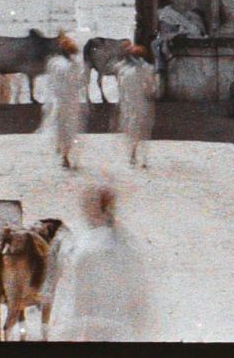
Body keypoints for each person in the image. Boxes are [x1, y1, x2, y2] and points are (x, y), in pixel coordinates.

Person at [51, 184, 153, 341]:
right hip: (76, 318)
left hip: (105, 318)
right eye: (86, 201)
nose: (85, 205)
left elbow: (138, 284)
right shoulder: (72, 231)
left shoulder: (121, 239)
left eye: (92, 201)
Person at [44, 32, 86, 170]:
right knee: (69, 127)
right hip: (71, 100)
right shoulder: (76, 65)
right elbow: (81, 83)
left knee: (59, 125)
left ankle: (62, 150)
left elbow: (50, 83)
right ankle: (65, 154)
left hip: (59, 99)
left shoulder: (53, 63)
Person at [114, 44, 157, 168]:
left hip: (128, 104)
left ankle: (133, 154)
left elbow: (120, 87)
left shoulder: (123, 70)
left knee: (131, 128)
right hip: (140, 103)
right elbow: (151, 88)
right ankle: (139, 155)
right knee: (142, 129)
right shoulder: (147, 68)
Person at [152, 0, 206, 78]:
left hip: (176, 34)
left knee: (156, 44)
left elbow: (189, 27)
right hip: (172, 35)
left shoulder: (169, 13)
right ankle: (160, 66)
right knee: (156, 44)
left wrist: (178, 32)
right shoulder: (169, 13)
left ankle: (161, 66)